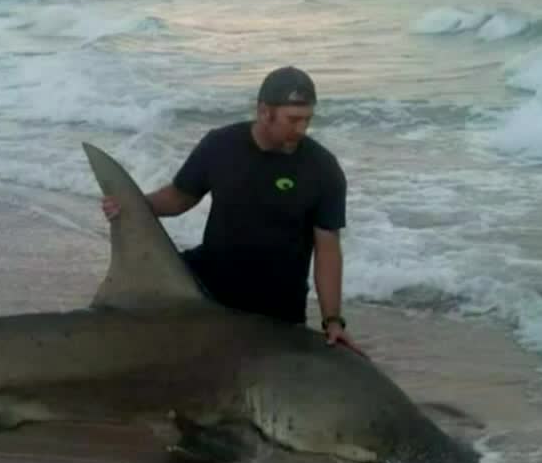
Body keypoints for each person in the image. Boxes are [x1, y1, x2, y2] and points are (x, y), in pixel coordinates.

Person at [102, 65, 359, 353]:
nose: (301, 129)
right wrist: (133, 205)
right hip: (210, 289)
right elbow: (178, 199)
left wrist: (333, 321)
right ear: (264, 111)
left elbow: (327, 249)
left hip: (276, 308)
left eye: (307, 120)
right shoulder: (221, 145)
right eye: (293, 119)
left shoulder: (322, 169)